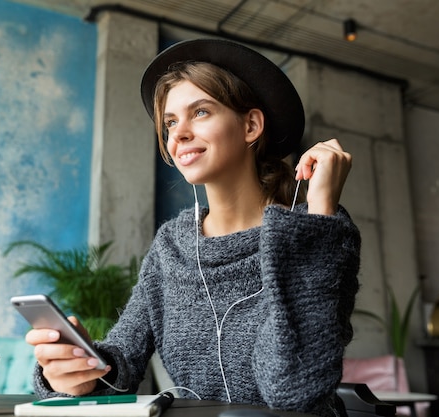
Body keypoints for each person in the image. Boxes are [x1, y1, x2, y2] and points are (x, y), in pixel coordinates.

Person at [26, 38, 360, 417]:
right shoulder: (173, 245)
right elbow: (122, 359)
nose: (178, 134)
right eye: (170, 122)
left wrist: (319, 214)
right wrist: (80, 372)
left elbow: (294, 390)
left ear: (251, 125)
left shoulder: (320, 232)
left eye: (200, 112)